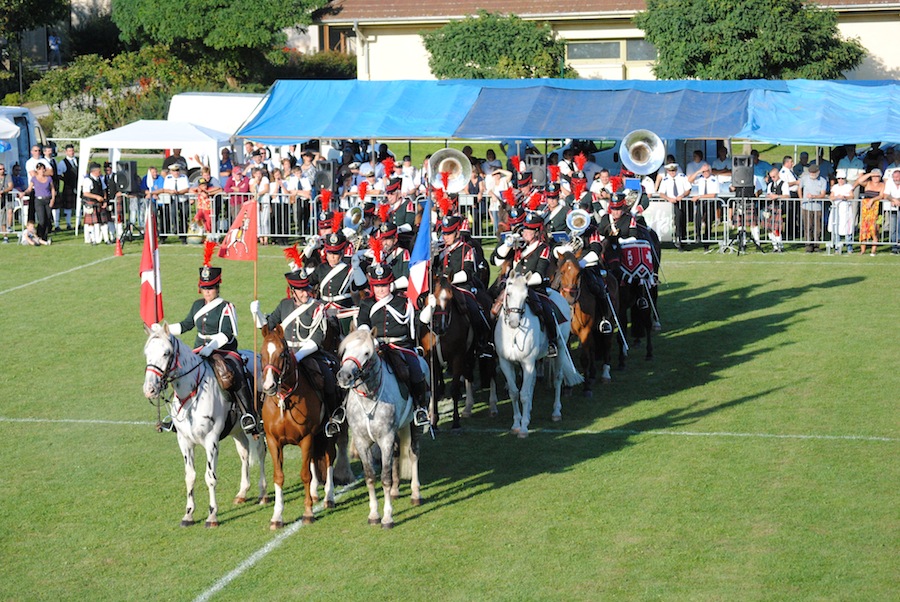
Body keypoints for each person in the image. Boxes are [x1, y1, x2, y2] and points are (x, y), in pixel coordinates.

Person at [169, 244, 259, 435]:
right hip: (198, 350)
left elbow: (227, 334)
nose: (207, 291)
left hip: (223, 350)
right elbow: (186, 325)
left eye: (211, 288)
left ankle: (247, 413)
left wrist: (210, 348)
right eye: (204, 288)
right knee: (179, 372)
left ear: (217, 287)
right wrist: (164, 329)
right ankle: (175, 415)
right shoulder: (196, 305)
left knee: (235, 373)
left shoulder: (226, 307)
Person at [250, 266, 342, 435]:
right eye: (300, 290)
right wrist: (256, 313)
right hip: (284, 354)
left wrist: (297, 356)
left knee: (328, 377)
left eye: (306, 288)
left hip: (307, 354)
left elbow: (317, 338)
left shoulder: (317, 307)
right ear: (293, 291)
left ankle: (332, 417)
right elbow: (267, 328)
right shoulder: (284, 305)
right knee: (263, 378)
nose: (305, 293)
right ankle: (259, 418)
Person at [356, 262, 430, 427]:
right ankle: (347, 410)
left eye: (384, 285)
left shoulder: (403, 301)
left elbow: (417, 320)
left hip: (400, 346)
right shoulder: (367, 303)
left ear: (390, 284)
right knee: (354, 372)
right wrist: (370, 339)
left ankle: (420, 408)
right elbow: (362, 323)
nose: (381, 289)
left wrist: (428, 310)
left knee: (416, 372)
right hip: (375, 346)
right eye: (377, 286)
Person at [491, 213, 559, 357]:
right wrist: (508, 244)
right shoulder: (518, 246)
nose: (526, 233)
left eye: (530, 230)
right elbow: (496, 260)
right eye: (525, 229)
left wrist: (521, 283)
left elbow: (539, 274)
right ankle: (490, 341)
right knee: (493, 308)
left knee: (546, 309)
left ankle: (552, 342)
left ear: (537, 232)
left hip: (534, 287)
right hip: (512, 287)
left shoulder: (544, 248)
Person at [437, 215, 495, 357]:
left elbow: (468, 273)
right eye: (444, 233)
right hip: (441, 289)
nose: (446, 236)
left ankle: (482, 343)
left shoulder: (467, 249)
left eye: (449, 233)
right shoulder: (439, 250)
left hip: (462, 287)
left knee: (474, 309)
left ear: (457, 232)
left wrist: (448, 281)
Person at [657, 162, 691, 251]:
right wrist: (668, 198)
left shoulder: (682, 177)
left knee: (681, 221)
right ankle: (676, 240)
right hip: (670, 203)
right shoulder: (665, 180)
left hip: (681, 201)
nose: (672, 172)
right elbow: (661, 193)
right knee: (674, 222)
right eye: (670, 171)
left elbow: (688, 189)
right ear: (667, 171)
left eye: (673, 170)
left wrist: (682, 196)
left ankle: (682, 240)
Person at [21, 163, 55, 242]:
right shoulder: (34, 179)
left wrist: (53, 199)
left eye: (43, 169)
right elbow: (29, 189)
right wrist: (24, 193)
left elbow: (52, 189)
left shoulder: (49, 178)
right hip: (39, 200)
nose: (41, 171)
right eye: (39, 169)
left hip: (47, 199)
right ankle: (39, 235)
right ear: (37, 170)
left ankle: (44, 236)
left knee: (48, 218)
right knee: (41, 220)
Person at [687, 163, 718, 250]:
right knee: (697, 220)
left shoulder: (714, 179)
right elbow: (689, 180)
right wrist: (698, 171)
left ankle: (706, 242)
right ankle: (698, 236)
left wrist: (699, 196)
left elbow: (713, 194)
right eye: (703, 171)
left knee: (708, 222)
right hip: (701, 202)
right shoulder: (700, 178)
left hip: (710, 202)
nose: (705, 173)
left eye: (707, 171)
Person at [799, 164, 828, 252]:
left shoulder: (823, 180)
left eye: (813, 172)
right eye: (810, 172)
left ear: (818, 172)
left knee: (817, 227)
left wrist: (814, 196)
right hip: (806, 206)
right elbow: (799, 188)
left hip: (817, 207)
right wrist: (801, 199)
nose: (812, 174)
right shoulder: (804, 178)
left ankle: (816, 245)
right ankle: (808, 245)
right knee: (808, 226)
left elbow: (823, 194)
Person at [856, 170, 884, 256]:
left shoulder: (882, 185)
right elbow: (860, 180)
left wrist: (872, 200)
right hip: (866, 210)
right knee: (863, 229)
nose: (876, 178)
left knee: (874, 230)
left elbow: (881, 195)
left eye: (877, 176)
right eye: (874, 176)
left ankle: (873, 250)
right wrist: (870, 174)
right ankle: (862, 250)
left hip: (876, 210)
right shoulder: (867, 183)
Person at [80, 162, 109, 245]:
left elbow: (104, 190)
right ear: (94, 171)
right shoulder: (87, 180)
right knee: (91, 223)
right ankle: (93, 239)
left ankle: (106, 239)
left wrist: (105, 200)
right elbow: (85, 193)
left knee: (103, 222)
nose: (100, 173)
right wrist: (96, 197)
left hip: (100, 203)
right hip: (91, 203)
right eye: (99, 171)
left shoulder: (100, 179)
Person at [829, 170, 855, 254]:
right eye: (839, 178)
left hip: (846, 210)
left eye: (842, 178)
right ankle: (837, 247)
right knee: (836, 227)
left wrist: (844, 197)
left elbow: (852, 196)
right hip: (836, 209)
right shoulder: (835, 187)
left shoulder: (848, 186)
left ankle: (849, 247)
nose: (841, 180)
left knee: (847, 228)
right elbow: (831, 197)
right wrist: (836, 197)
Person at [56, 144, 78, 230]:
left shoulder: (77, 160)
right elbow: (58, 175)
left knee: (77, 205)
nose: (71, 152)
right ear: (66, 152)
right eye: (69, 151)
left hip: (77, 185)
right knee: (68, 206)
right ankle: (68, 224)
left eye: (72, 151)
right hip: (68, 186)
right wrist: (66, 180)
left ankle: (78, 223)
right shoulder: (62, 162)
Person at [882, 168, 900, 254]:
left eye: (897, 177)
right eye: (894, 177)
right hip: (892, 208)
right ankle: (894, 247)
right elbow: (886, 195)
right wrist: (893, 200)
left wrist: (897, 200)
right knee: (893, 228)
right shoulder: (889, 182)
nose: (896, 179)